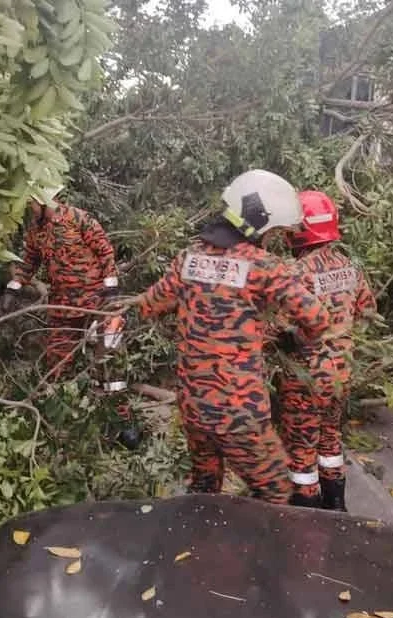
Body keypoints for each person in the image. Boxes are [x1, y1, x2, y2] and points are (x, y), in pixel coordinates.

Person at [115, 170, 330, 504]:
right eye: (273, 230)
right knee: (277, 494)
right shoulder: (263, 265)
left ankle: (200, 549)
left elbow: (147, 306)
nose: (273, 237)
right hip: (240, 412)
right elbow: (317, 317)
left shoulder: (187, 260)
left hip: (194, 407)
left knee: (204, 489)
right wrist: (295, 337)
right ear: (258, 222)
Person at [276, 190, 378, 510]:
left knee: (302, 447)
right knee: (330, 437)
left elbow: (277, 327)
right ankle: (336, 507)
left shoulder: (296, 273)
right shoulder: (349, 267)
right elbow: (368, 310)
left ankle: (307, 519)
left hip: (307, 376)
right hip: (342, 372)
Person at [2, 186, 120, 377]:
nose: (30, 208)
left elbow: (105, 252)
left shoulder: (79, 219)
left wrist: (111, 291)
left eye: (31, 203)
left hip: (94, 299)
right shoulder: (36, 230)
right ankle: (60, 395)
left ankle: (114, 399)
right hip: (63, 305)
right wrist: (13, 288)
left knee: (109, 352)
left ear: (43, 201)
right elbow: (29, 262)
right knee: (58, 359)